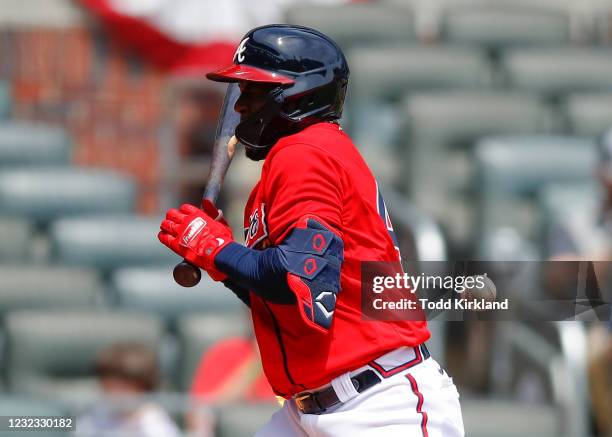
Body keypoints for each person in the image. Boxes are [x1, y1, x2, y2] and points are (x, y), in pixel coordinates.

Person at [159, 24, 464, 436]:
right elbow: (297, 302)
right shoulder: (294, 161)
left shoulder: (305, 153)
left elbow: (293, 277)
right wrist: (223, 259)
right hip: (312, 408)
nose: (241, 107)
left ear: (295, 96)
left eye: (253, 92)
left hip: (380, 407)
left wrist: (215, 249)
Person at [77, 343, 180, 437]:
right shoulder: (96, 414)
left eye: (122, 387)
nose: (113, 393)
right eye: (107, 386)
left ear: (142, 387)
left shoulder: (155, 423)